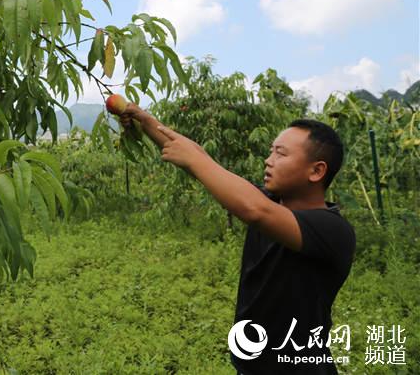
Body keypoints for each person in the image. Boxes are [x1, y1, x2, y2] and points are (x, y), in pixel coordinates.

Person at [119, 104, 356, 374]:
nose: (268, 160)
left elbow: (254, 210)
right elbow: (199, 158)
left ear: (316, 171)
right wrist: (147, 121)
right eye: (270, 151)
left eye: (281, 154)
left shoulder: (332, 229)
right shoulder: (270, 203)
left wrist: (197, 161)